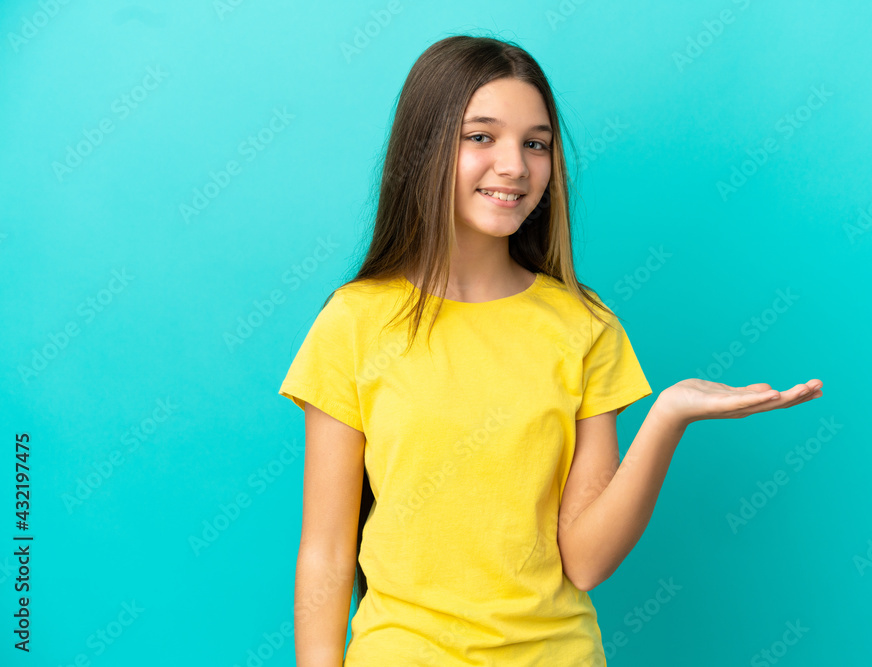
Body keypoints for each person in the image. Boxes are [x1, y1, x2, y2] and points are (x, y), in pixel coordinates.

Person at [278, 33, 823, 666]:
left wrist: (668, 416)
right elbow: (326, 550)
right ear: (423, 148)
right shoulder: (355, 322)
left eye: (535, 143)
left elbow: (586, 562)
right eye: (480, 136)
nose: (515, 165)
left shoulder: (585, 328)